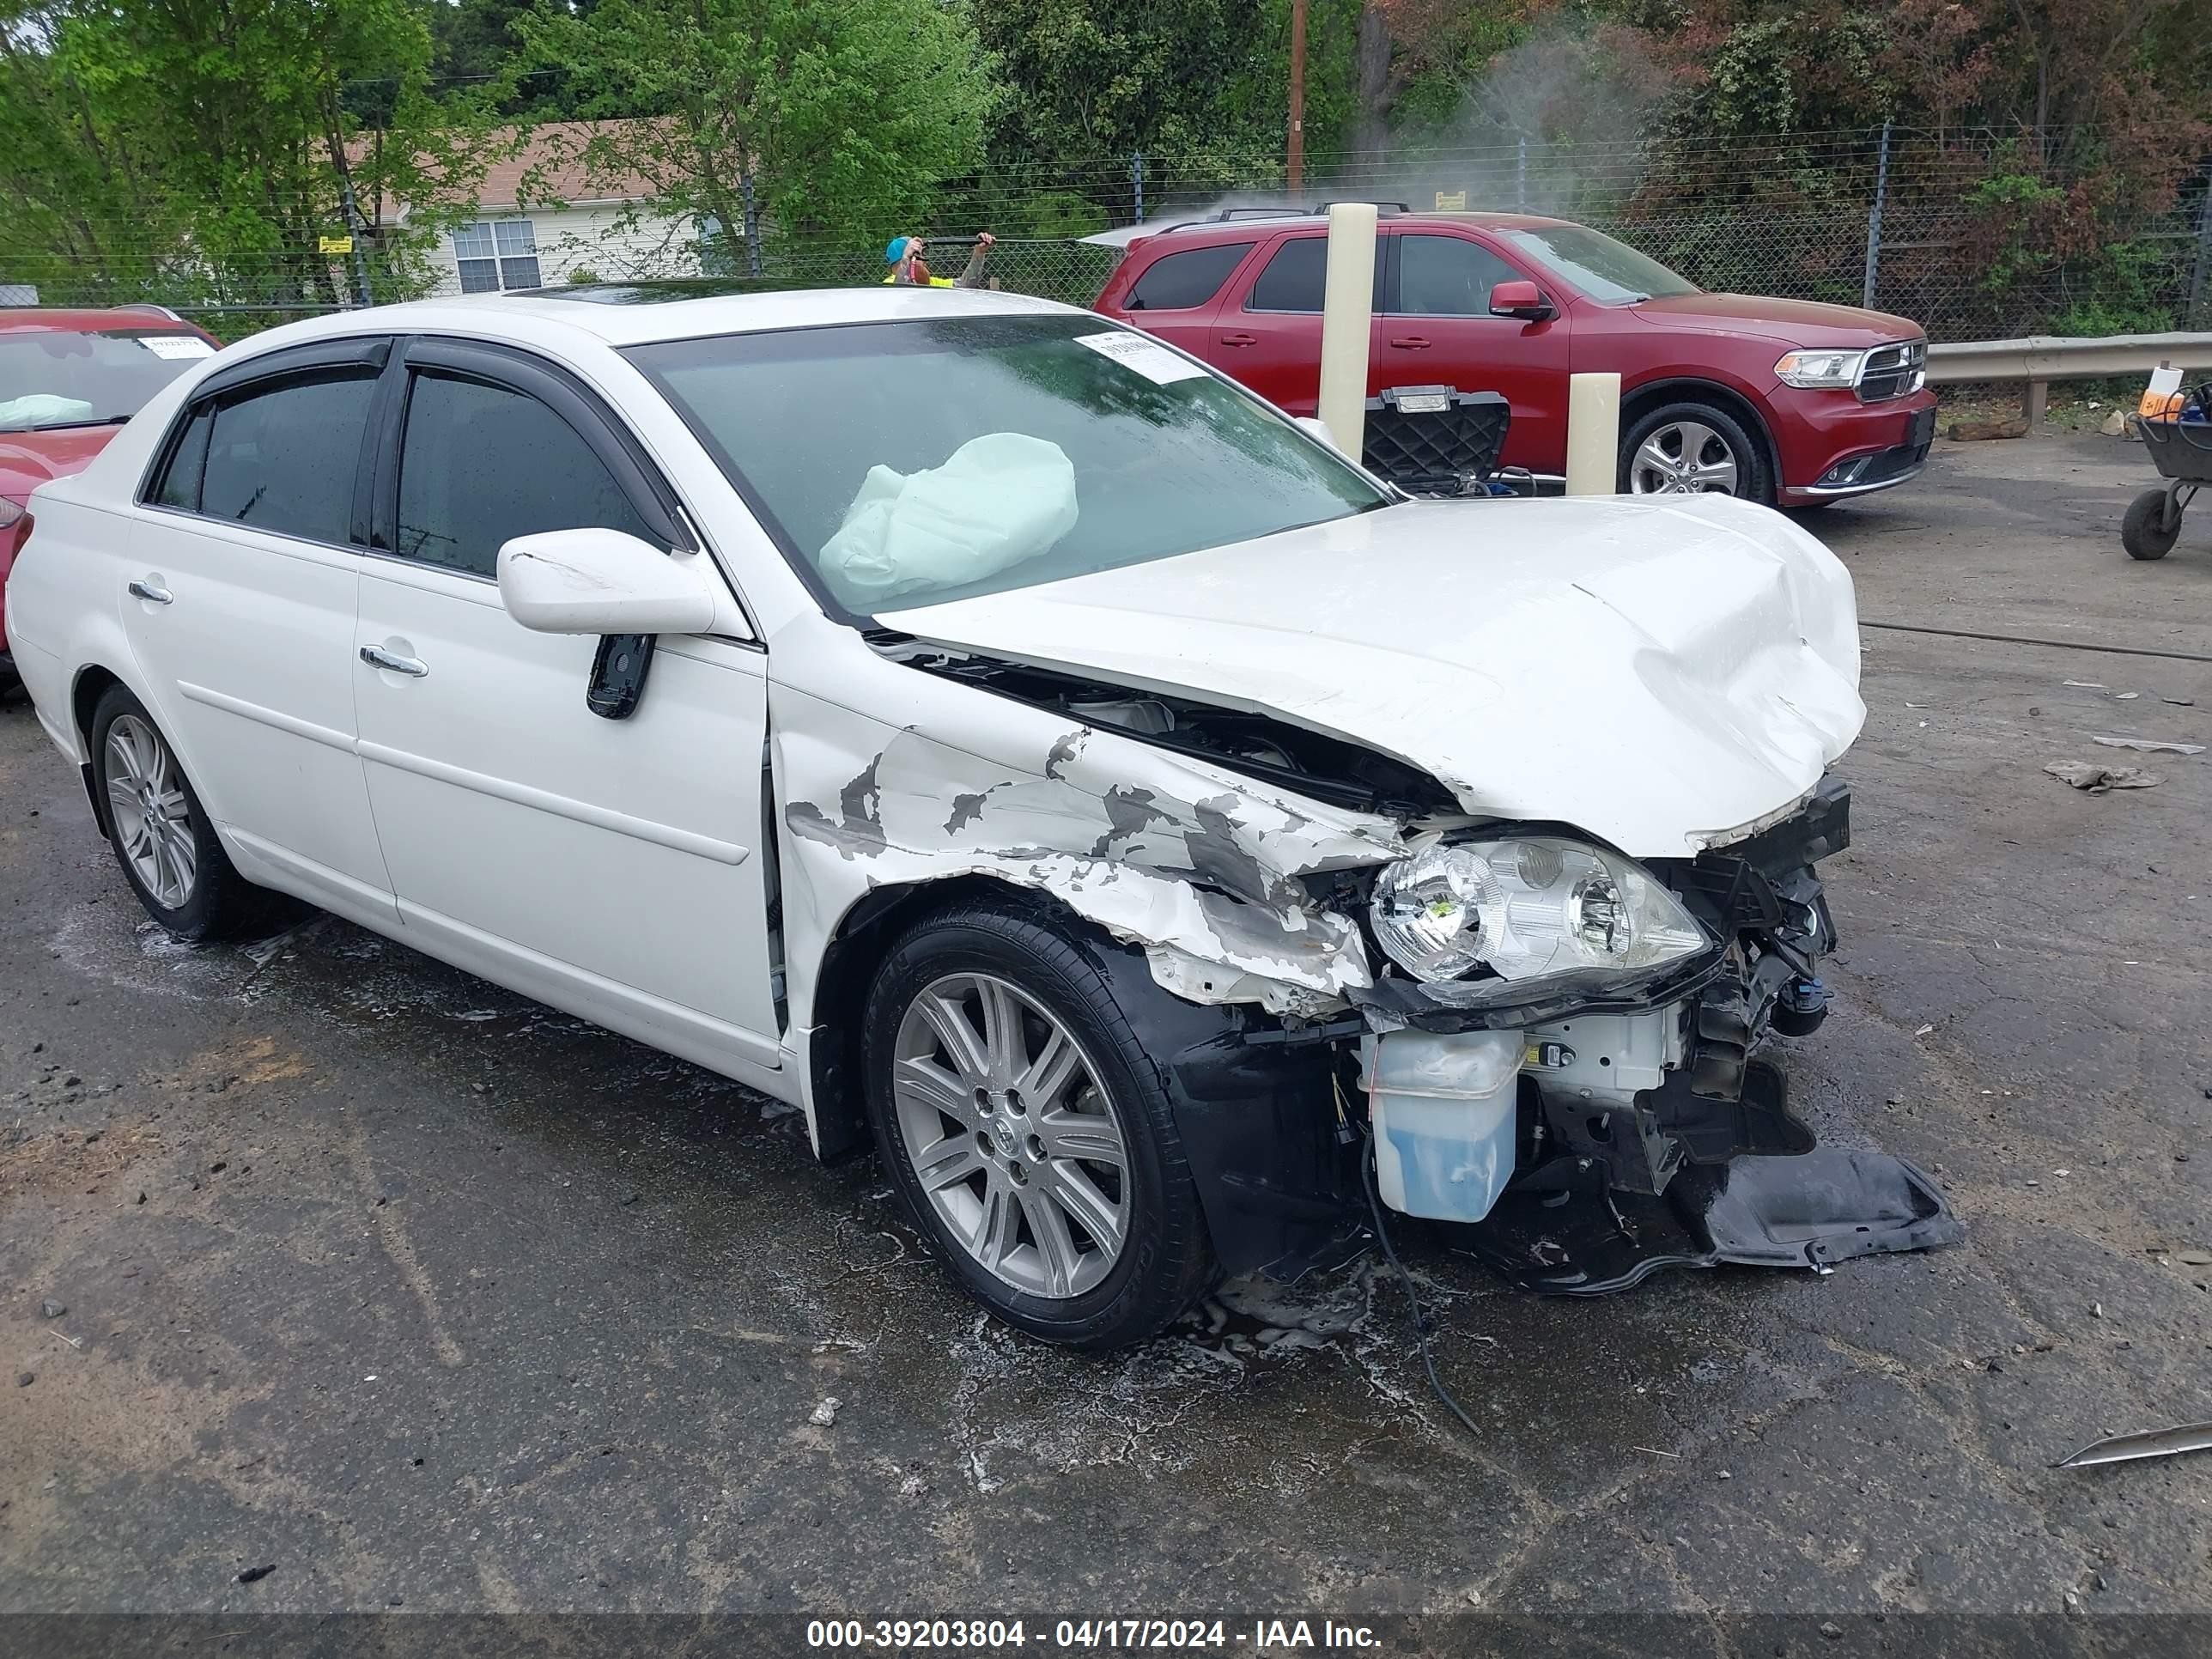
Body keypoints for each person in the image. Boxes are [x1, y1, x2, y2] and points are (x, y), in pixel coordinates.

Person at [884, 232, 994, 288]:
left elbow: (965, 285)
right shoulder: (889, 285)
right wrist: (906, 258)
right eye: (919, 254)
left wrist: (979, 253)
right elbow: (899, 291)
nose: (924, 261)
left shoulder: (930, 282)